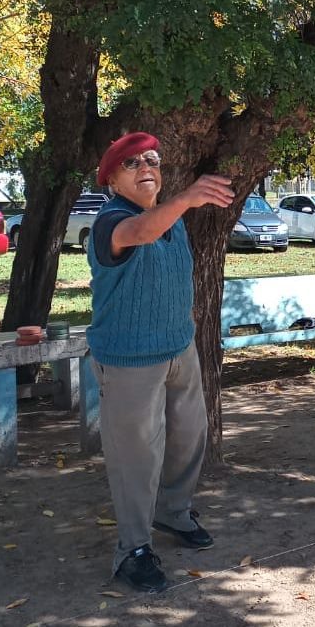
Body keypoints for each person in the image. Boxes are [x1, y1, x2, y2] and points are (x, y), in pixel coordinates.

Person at [86, 132, 234, 592]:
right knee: (136, 457)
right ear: (111, 179)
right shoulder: (111, 219)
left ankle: (174, 513)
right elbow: (138, 234)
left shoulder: (170, 219)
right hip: (129, 360)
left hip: (178, 350)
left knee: (190, 437)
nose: (147, 167)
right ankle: (132, 549)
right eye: (132, 164)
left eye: (153, 159)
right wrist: (188, 198)